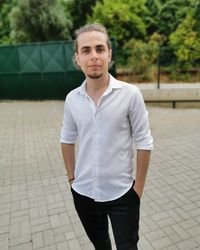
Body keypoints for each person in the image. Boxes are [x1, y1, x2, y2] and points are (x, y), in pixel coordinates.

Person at [60, 23, 153, 250]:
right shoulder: (72, 99)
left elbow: (144, 142)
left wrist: (137, 189)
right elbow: (67, 138)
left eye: (100, 49)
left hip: (123, 193)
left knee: (128, 247)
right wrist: (72, 179)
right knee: (100, 246)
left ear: (109, 53)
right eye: (86, 50)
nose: (93, 56)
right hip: (83, 193)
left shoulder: (130, 94)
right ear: (78, 58)